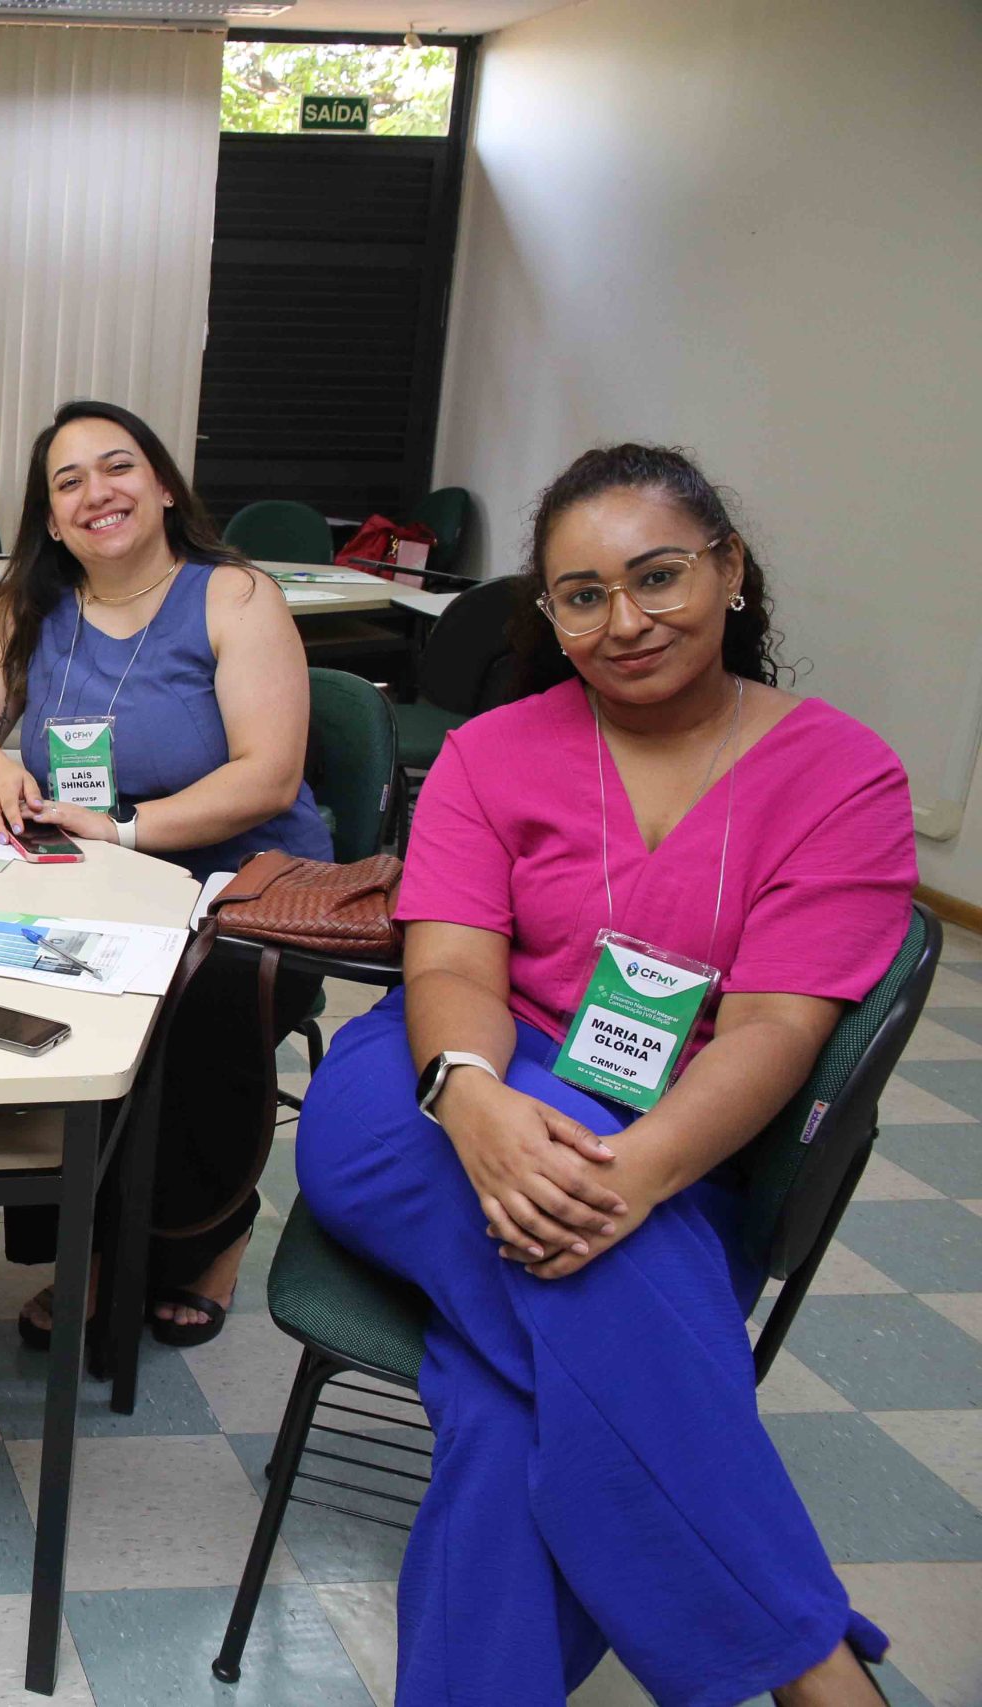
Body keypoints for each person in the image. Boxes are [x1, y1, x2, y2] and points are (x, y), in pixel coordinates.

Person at [296, 445, 912, 1706]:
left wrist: (635, 1173)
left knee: (510, 1407)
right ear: (551, 616)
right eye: (581, 594)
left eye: (657, 577)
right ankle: (815, 1668)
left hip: (674, 1141)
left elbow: (771, 1036)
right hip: (424, 1096)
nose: (622, 620)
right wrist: (467, 1098)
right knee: (611, 1297)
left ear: (729, 572)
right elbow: (451, 969)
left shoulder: (843, 775)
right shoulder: (490, 754)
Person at [0, 399, 332, 1348]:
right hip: (87, 871)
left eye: (117, 468)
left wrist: (127, 830)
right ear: (52, 515)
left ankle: (200, 1239)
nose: (96, 493)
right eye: (69, 482)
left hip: (235, 889)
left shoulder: (234, 595)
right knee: (4, 977)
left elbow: (267, 773)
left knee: (182, 1001)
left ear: (160, 485)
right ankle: (90, 1237)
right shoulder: (33, 603)